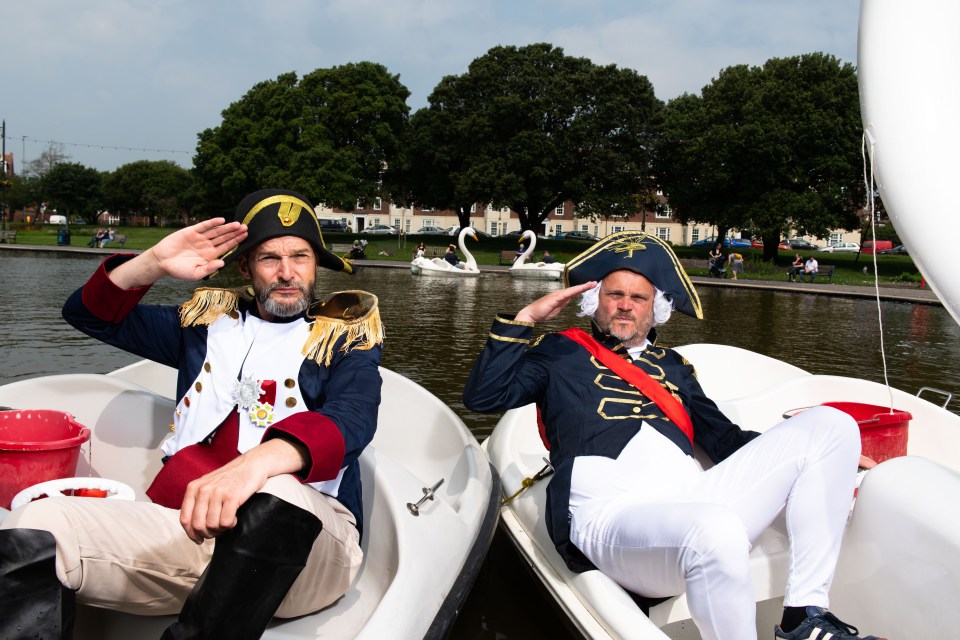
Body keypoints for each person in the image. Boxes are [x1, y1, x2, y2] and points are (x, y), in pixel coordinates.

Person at [0, 189, 383, 639]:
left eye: (300, 257)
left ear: (315, 266)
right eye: (269, 258)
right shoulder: (201, 326)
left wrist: (251, 468)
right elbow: (87, 316)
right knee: (42, 526)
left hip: (306, 550)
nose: (287, 272)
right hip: (190, 533)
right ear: (244, 267)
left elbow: (354, 417)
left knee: (278, 491)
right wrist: (154, 263)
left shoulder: (344, 340)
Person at [463, 231, 882, 640]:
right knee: (715, 529)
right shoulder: (561, 351)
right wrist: (526, 320)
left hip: (690, 498)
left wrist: (827, 462)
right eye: (614, 295)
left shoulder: (675, 366)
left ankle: (803, 617)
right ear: (594, 302)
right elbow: (484, 396)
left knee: (832, 424)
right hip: (609, 512)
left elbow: (723, 439)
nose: (625, 306)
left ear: (655, 308)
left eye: (638, 297)